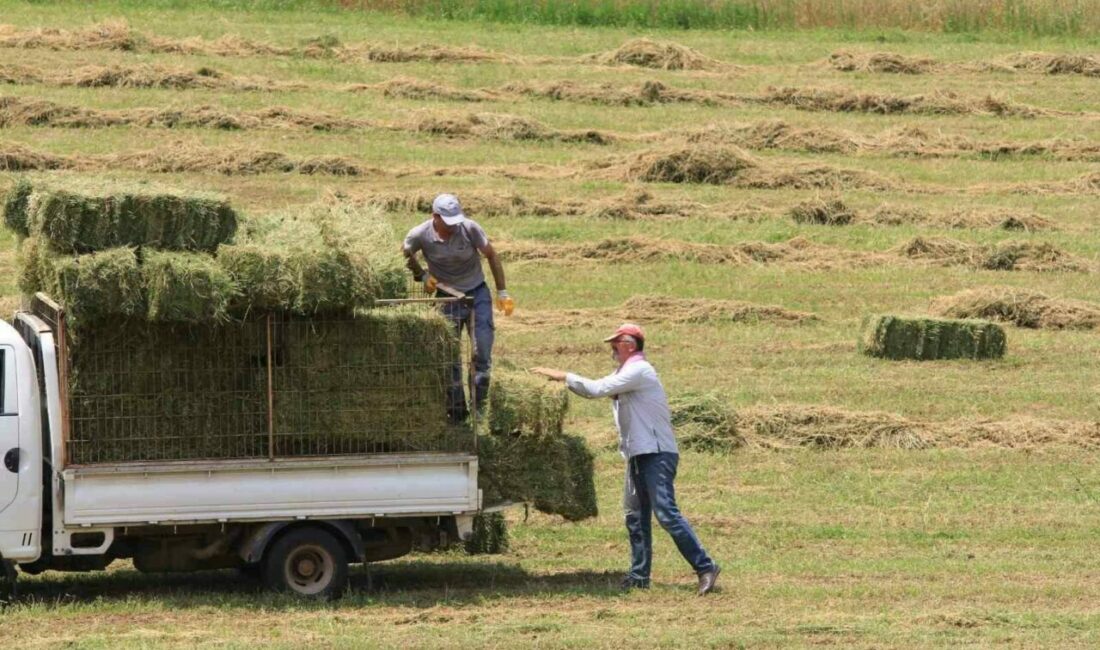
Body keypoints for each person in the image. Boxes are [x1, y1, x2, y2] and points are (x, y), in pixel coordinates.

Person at [532, 323, 720, 596]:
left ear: (630, 345)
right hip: (638, 454)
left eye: (616, 344)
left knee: (666, 513)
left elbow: (596, 389)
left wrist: (562, 376)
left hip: (656, 454)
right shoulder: (626, 371)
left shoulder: (639, 370)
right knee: (635, 516)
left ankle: (706, 566)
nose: (612, 349)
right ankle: (639, 576)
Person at [403, 193, 511, 421]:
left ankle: (480, 408)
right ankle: (458, 411)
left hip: (476, 294)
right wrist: (421, 275)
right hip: (446, 298)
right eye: (448, 222)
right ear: (435, 217)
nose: (454, 227)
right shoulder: (420, 235)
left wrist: (502, 292)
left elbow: (491, 255)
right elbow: (405, 253)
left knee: (481, 351)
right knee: (448, 356)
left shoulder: (469, 229)